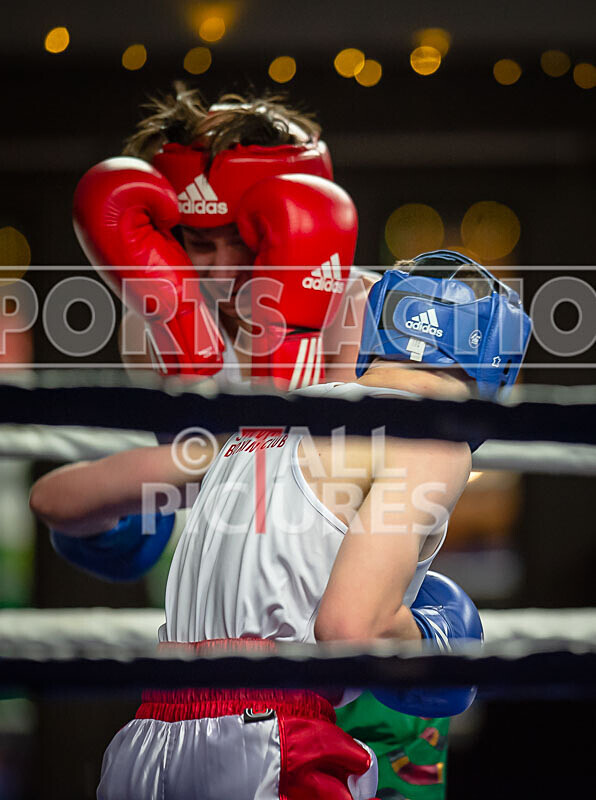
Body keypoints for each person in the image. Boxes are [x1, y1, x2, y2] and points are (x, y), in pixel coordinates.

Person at [30, 251, 531, 799]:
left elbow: (55, 498)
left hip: (147, 740)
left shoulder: (255, 422)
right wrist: (436, 639)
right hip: (270, 735)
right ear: (498, 366)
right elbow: (349, 629)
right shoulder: (434, 440)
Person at [72, 83, 372, 390]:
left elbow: (340, 436)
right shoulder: (147, 328)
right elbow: (185, 436)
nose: (222, 272)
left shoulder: (368, 310)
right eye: (200, 243)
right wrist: (189, 365)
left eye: (243, 241)